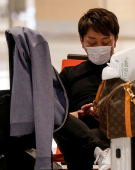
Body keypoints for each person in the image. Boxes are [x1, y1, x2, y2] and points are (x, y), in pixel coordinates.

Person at [53, 8, 119, 170]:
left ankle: (100, 150)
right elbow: (58, 115)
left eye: (105, 42)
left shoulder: (125, 70)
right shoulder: (69, 74)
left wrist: (108, 112)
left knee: (92, 137)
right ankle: (101, 150)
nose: (99, 47)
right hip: (73, 132)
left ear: (115, 40)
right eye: (92, 42)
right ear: (82, 41)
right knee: (52, 114)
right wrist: (80, 114)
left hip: (111, 130)